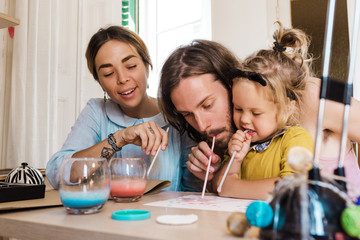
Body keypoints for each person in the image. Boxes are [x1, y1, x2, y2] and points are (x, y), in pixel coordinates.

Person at [159, 24, 360, 198]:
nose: (202, 125)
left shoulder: (314, 93)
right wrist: (213, 175)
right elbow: (227, 189)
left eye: (208, 105)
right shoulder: (242, 132)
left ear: (231, 84)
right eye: (187, 114)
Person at [46, 25, 197, 191]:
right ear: (100, 83)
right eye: (108, 73)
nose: (122, 78)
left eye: (131, 66)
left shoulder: (178, 113)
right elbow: (57, 173)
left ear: (147, 66)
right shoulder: (97, 111)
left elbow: (193, 190)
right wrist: (119, 138)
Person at [213, 64, 314, 198]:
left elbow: (293, 188)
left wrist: (233, 187)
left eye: (256, 113)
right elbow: (218, 187)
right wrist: (235, 159)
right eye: (238, 109)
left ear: (286, 109)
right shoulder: (239, 141)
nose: (244, 119)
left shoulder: (296, 138)